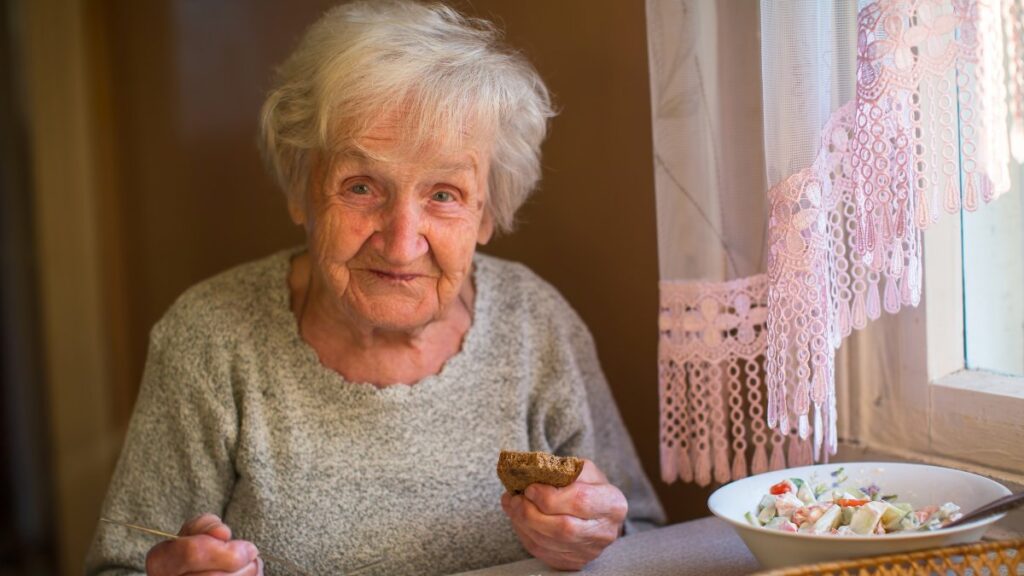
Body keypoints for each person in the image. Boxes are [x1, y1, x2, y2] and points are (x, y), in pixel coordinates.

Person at [85, 2, 665, 574]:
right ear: (299, 188)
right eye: (361, 187)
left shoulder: (536, 322)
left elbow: (642, 537)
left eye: (444, 194)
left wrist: (593, 542)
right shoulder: (209, 338)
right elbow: (123, 564)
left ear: (488, 214)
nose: (400, 242)